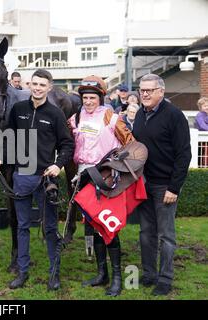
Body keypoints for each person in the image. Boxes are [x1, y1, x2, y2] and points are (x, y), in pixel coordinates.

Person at [0, 69, 75, 291]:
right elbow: (8, 139)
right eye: (34, 84)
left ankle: (54, 273)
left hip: (45, 179)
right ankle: (22, 271)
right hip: (21, 177)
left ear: (49, 87)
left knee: (49, 228)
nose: (37, 88)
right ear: (30, 85)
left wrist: (58, 165)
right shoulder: (18, 110)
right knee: (22, 226)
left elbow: (67, 145)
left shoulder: (56, 114)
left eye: (42, 85)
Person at [68, 75, 134, 296]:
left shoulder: (111, 118)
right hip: (84, 176)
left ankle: (116, 278)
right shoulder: (75, 118)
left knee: (109, 226)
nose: (88, 102)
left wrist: (115, 165)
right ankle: (101, 274)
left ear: (101, 98)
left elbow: (131, 145)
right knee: (93, 226)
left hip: (106, 177)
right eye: (85, 97)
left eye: (92, 98)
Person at [133, 74, 191, 296]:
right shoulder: (140, 114)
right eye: (142, 90)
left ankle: (165, 280)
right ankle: (149, 275)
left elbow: (184, 154)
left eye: (149, 90)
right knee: (146, 232)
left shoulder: (175, 116)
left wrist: (174, 188)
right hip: (143, 183)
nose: (144, 94)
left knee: (166, 235)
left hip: (164, 186)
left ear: (161, 92)